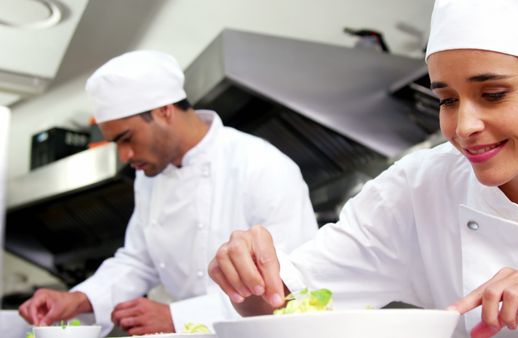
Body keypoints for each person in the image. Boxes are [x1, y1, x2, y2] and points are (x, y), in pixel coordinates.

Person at [207, 0, 518, 337]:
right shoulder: (415, 190)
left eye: (492, 94)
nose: (464, 127)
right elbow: (284, 307)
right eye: (447, 100)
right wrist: (248, 276)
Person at [18, 50, 318, 336]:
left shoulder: (263, 165)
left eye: (126, 138)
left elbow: (293, 281)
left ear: (164, 110)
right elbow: (139, 260)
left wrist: (178, 317)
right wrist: (79, 299)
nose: (124, 155)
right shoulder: (149, 177)